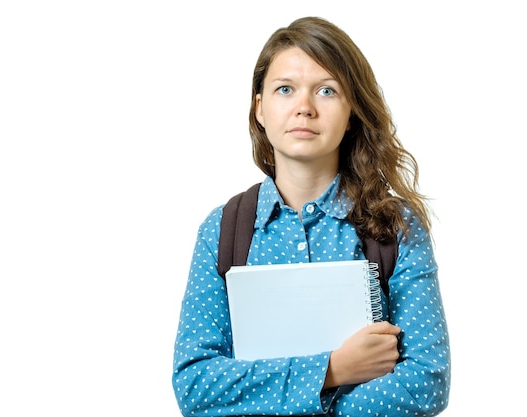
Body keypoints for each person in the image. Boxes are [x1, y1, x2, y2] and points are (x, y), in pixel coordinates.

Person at [172, 16, 450, 417]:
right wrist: (333, 370)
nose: (304, 108)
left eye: (326, 90)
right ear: (260, 108)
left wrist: (267, 395)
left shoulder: (396, 226)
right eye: (285, 89)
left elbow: (427, 382)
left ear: (352, 109)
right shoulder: (223, 229)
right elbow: (196, 385)